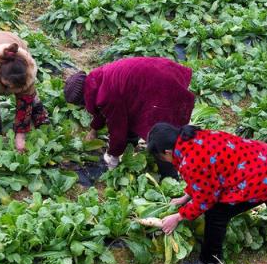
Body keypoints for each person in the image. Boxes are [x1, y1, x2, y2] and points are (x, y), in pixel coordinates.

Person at [146, 124, 267, 264]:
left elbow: (206, 198)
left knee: (216, 214)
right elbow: (205, 178)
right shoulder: (193, 137)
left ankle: (210, 261)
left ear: (167, 152)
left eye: (160, 157)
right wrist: (185, 197)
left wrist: (178, 216)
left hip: (259, 177)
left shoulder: (191, 160)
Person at [63, 57, 194, 177]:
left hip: (161, 87)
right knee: (132, 115)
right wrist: (94, 129)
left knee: (159, 138)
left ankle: (170, 177)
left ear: (83, 100)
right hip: (160, 69)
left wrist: (113, 156)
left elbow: (117, 130)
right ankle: (131, 143)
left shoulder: (106, 96)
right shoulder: (96, 80)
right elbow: (101, 110)